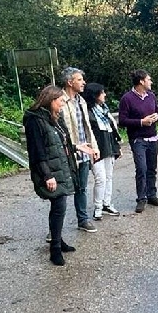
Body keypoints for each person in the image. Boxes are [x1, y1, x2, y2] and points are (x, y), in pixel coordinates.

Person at [23, 85, 95, 266]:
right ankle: (55, 248)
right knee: (59, 206)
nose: (63, 104)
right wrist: (47, 175)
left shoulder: (55, 117)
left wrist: (78, 147)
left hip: (61, 167)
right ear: (51, 100)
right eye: (61, 101)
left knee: (59, 207)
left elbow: (63, 143)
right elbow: (37, 151)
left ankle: (58, 240)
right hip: (49, 170)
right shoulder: (35, 120)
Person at [60, 67, 100, 233]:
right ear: (70, 82)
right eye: (79, 80)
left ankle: (82, 219)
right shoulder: (58, 100)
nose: (84, 82)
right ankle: (55, 228)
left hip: (84, 152)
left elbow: (87, 127)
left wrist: (94, 147)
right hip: (67, 153)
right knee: (61, 192)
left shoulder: (81, 101)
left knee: (81, 188)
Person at [118, 69, 158, 213]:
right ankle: (141, 198)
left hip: (153, 138)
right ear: (141, 82)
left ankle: (152, 195)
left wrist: (157, 116)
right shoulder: (127, 99)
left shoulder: (151, 96)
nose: (151, 82)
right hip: (138, 139)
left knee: (152, 169)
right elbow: (122, 120)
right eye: (149, 80)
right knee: (141, 169)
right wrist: (140, 122)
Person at [82, 82, 122, 220]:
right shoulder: (87, 112)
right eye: (102, 92)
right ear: (95, 95)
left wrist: (117, 147)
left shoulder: (104, 109)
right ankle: (97, 207)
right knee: (100, 178)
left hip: (109, 146)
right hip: (96, 148)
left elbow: (112, 130)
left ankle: (107, 203)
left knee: (109, 177)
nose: (104, 95)